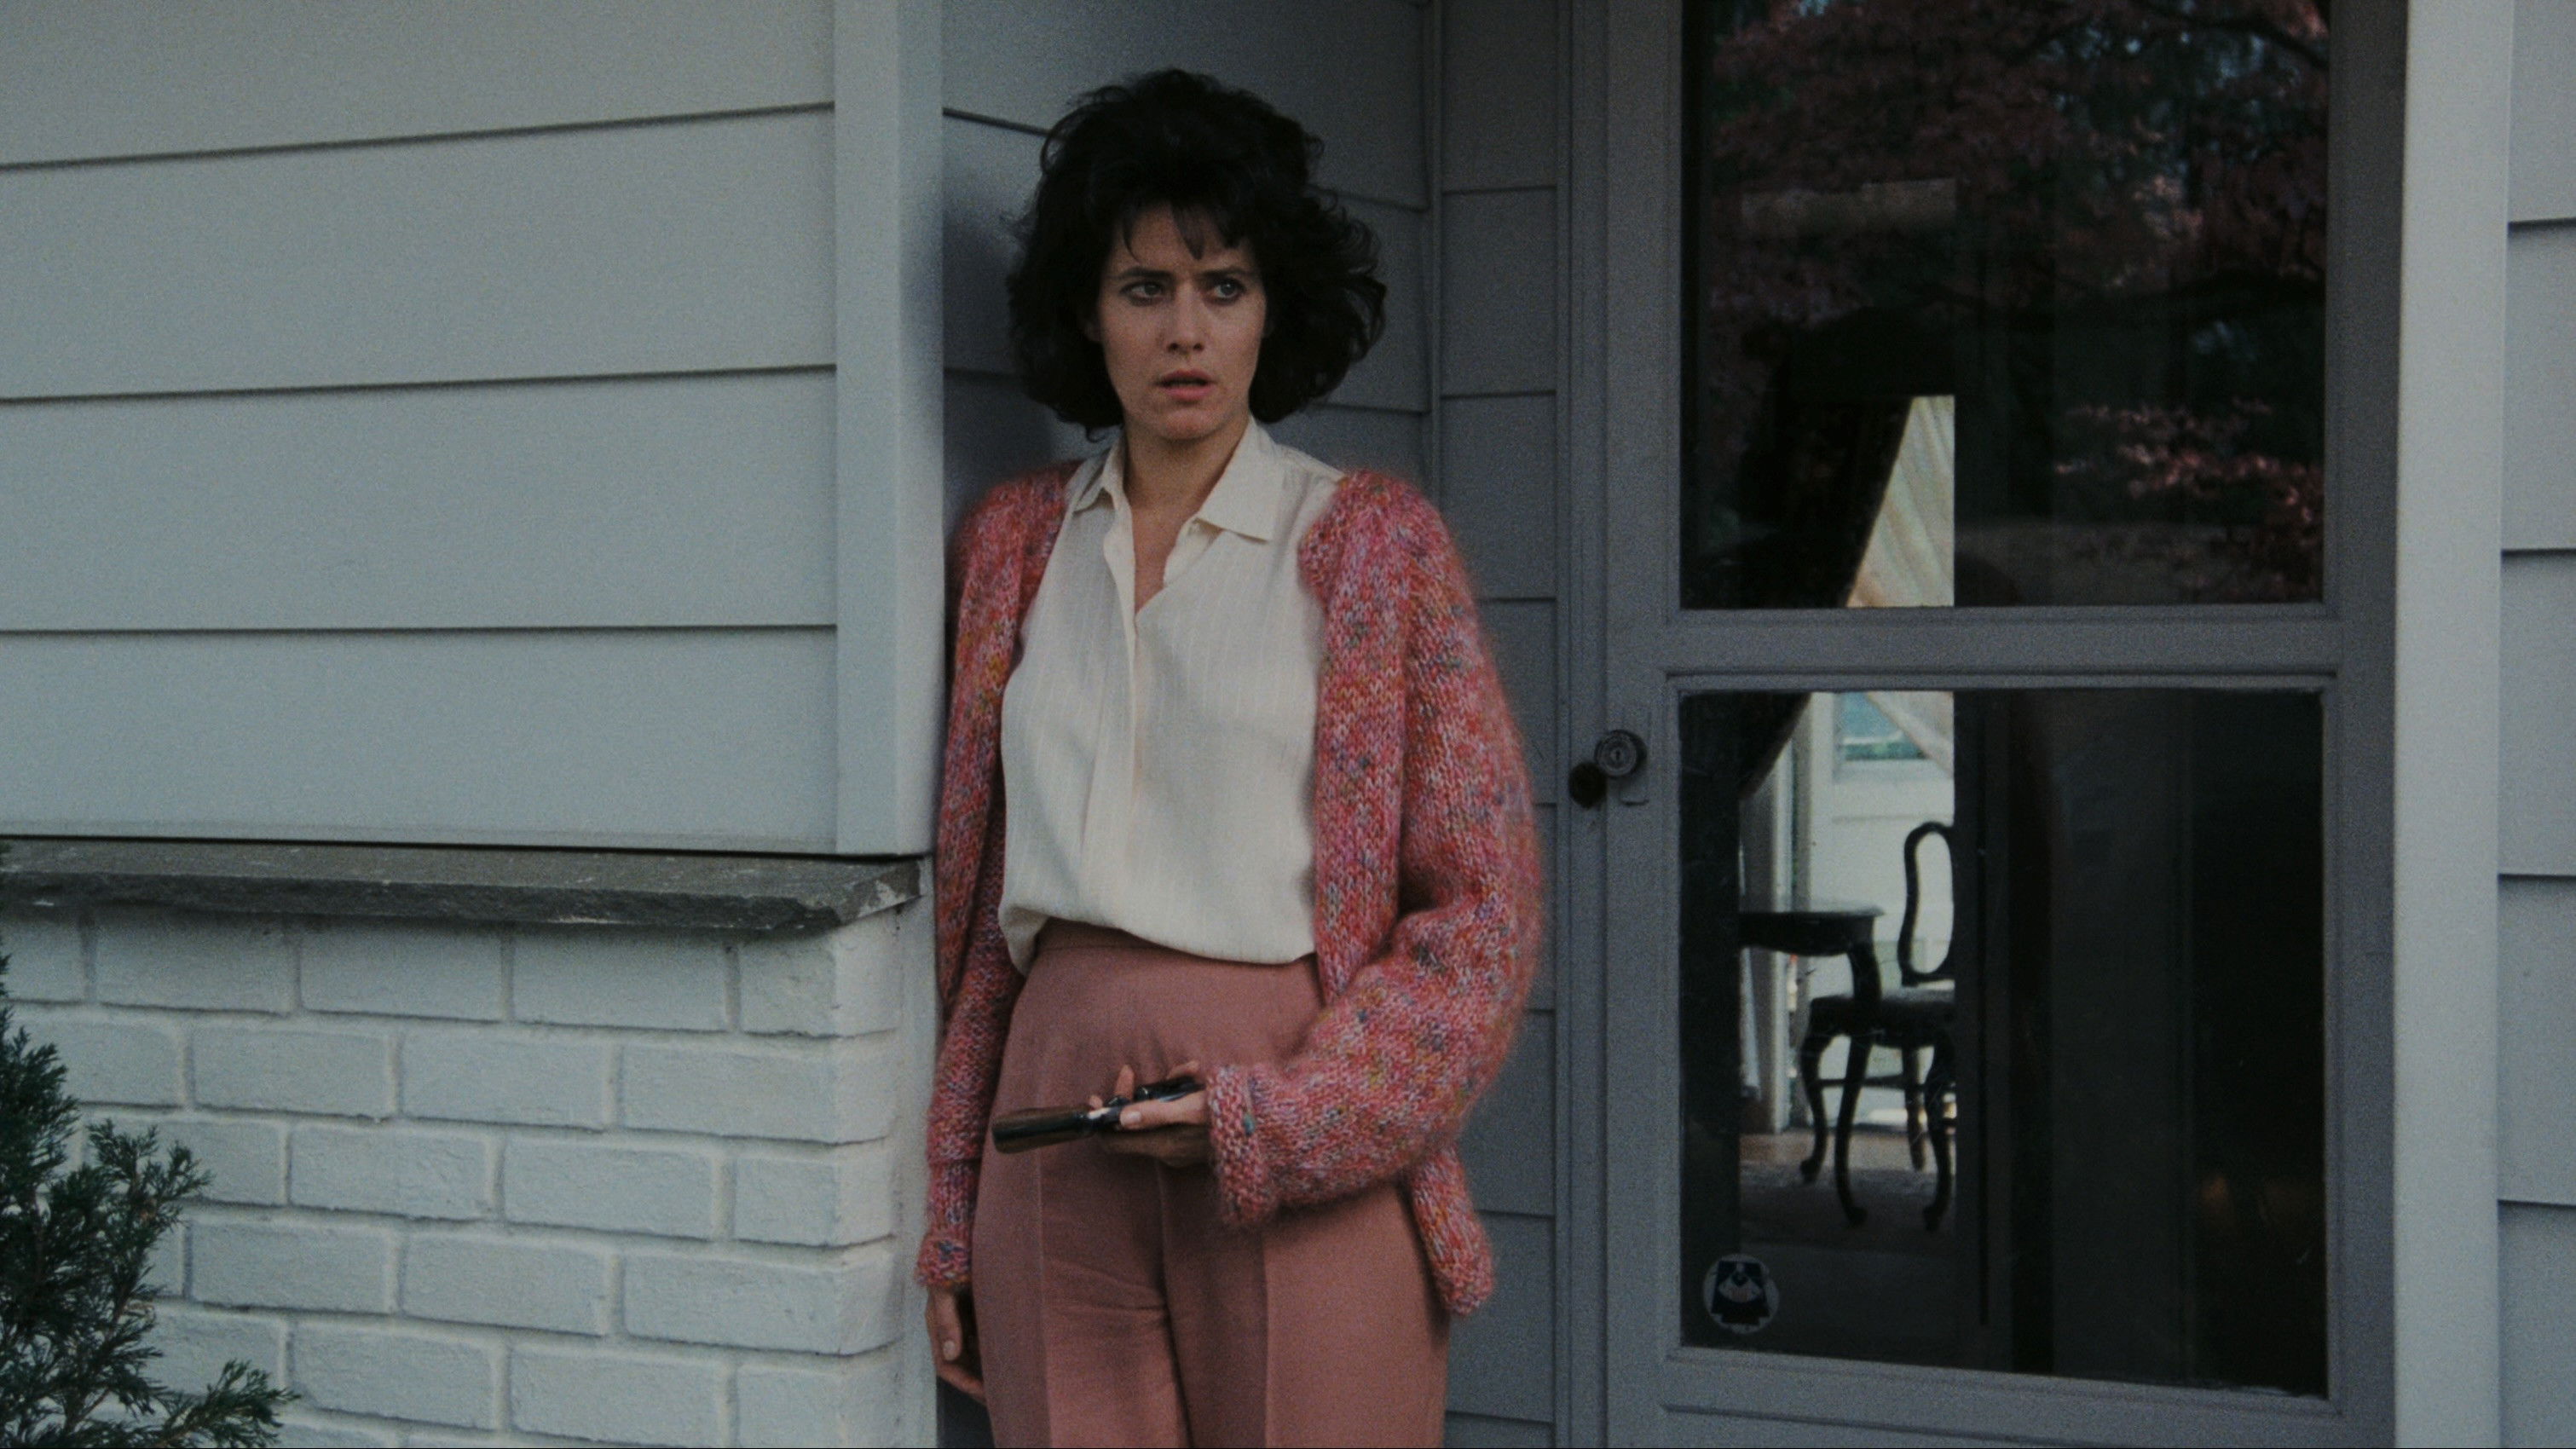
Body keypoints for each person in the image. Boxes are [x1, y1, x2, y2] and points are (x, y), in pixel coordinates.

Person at [915, 68, 1543, 1448]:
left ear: (1275, 308)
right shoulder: (1010, 549)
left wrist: (1291, 1119)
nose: (1185, 330)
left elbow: (1478, 917)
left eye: (1225, 285)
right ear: (1087, 312)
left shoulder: (1371, 546)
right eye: (1143, 288)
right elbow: (979, 941)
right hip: (1051, 1128)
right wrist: (953, 1210)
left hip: (1302, 1129)